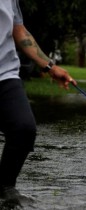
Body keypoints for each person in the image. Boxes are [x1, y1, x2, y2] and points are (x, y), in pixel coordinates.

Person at [0, 0, 76, 203]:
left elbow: (18, 29)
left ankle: (6, 186)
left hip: (5, 74)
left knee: (23, 129)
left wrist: (50, 66)